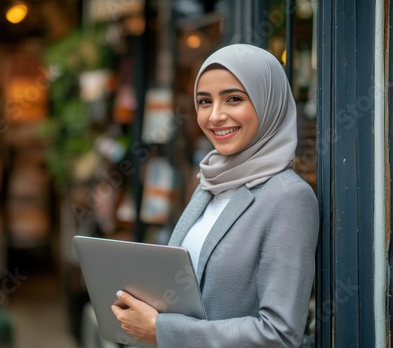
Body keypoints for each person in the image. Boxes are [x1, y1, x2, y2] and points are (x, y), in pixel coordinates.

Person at [111, 44, 319, 347]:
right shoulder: (211, 180)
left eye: (234, 99)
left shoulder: (288, 197)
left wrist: (162, 330)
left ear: (268, 102)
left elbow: (280, 335)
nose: (215, 115)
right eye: (204, 101)